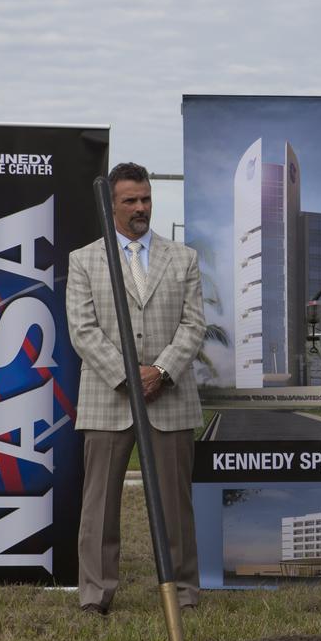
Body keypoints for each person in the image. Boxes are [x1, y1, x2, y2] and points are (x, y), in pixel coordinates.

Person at [65, 162, 206, 615]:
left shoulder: (183, 258)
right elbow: (83, 331)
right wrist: (130, 376)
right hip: (108, 397)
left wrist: (160, 372)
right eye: (130, 200)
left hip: (171, 396)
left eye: (146, 198)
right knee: (99, 508)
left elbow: (194, 325)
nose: (141, 207)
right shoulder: (85, 259)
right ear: (111, 205)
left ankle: (183, 595)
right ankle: (95, 596)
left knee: (175, 510)